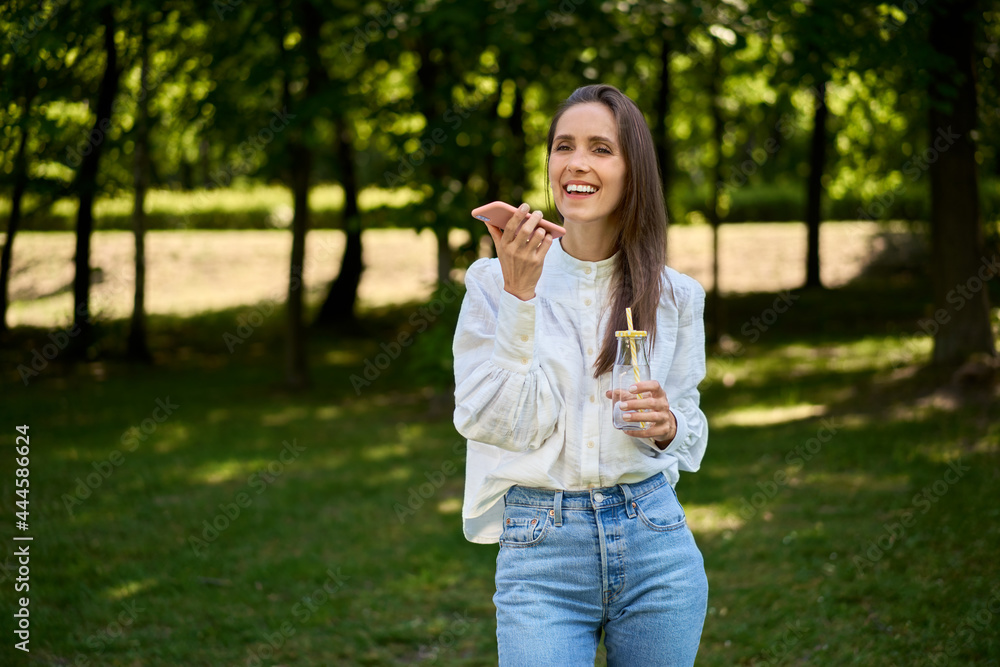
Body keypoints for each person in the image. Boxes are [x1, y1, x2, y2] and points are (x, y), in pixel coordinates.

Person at [452, 83, 709, 666]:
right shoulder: (492, 283)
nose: (576, 163)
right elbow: (489, 422)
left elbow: (691, 430)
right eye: (563, 146)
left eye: (600, 148)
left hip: (655, 543)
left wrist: (667, 425)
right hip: (541, 551)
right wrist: (520, 297)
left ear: (631, 169)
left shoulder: (676, 296)